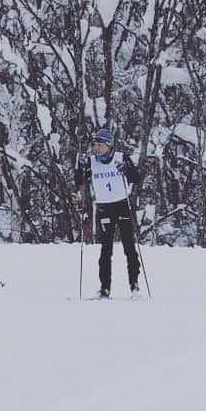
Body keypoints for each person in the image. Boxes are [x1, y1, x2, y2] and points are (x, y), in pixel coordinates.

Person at [74, 128, 142, 299]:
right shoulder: (91, 161)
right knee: (106, 250)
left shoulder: (121, 158)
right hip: (104, 207)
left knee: (129, 247)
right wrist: (80, 168)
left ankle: (134, 286)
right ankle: (105, 288)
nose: (97, 148)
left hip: (122, 205)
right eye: (96, 145)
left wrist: (127, 169)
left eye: (100, 145)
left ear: (109, 145)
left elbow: (136, 178)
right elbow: (78, 181)